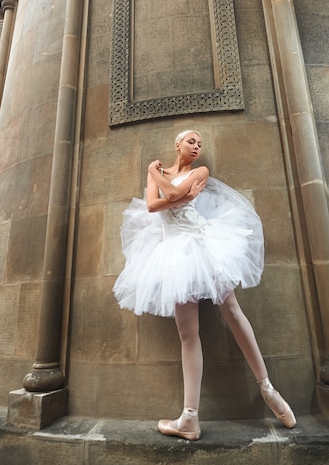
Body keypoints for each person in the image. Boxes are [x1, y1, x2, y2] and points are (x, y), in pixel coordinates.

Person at [113, 129, 296, 439]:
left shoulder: (200, 171)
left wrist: (157, 179)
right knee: (188, 334)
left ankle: (268, 389)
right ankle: (190, 418)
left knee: (234, 312)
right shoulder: (162, 173)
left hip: (203, 245)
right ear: (177, 145)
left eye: (200, 143)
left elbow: (168, 197)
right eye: (191, 141)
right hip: (173, 253)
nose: (196, 147)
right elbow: (152, 206)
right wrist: (175, 190)